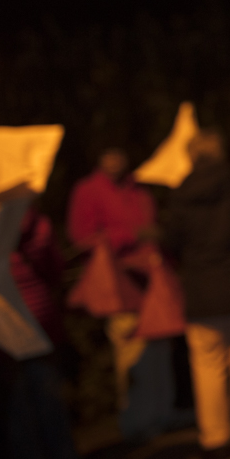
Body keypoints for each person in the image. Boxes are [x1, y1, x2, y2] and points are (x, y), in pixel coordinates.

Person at [160, 131, 230, 458]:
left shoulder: (179, 197)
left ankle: (216, 436)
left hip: (202, 292)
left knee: (208, 367)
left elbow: (170, 244)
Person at [66, 146, 177, 439]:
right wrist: (131, 236)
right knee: (131, 349)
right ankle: (137, 419)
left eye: (119, 154)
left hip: (151, 278)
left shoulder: (138, 188)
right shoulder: (88, 191)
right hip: (119, 282)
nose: (115, 160)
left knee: (158, 346)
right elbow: (83, 237)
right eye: (109, 154)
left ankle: (161, 413)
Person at [5, 196, 88, 459]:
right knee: (52, 412)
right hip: (40, 322)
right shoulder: (36, 221)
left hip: (2, 330)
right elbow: (55, 269)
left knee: (20, 422)